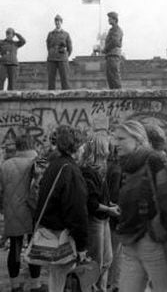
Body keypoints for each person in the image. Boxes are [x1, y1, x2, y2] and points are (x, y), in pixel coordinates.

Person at [113, 120, 167, 292]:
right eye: (115, 138)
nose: (115, 143)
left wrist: (160, 230)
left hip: (153, 242)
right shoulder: (128, 165)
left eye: (121, 139)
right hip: (130, 241)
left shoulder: (154, 159)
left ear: (138, 139)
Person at [36, 125, 88, 292]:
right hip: (63, 237)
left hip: (51, 232)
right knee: (63, 280)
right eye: (82, 146)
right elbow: (77, 211)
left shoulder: (54, 165)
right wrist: (82, 246)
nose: (83, 150)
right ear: (76, 147)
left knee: (56, 279)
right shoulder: (71, 170)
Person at [0, 135, 46, 292]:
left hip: (12, 211)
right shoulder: (38, 162)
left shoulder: (5, 165)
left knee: (15, 247)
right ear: (32, 145)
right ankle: (36, 285)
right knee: (34, 248)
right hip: (33, 211)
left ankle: (15, 285)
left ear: (18, 147)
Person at [80, 133, 120, 292]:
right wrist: (109, 209)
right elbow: (92, 204)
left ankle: (100, 288)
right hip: (95, 220)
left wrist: (110, 205)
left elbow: (100, 199)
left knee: (107, 260)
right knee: (97, 261)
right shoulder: (89, 171)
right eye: (107, 145)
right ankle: (93, 287)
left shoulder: (100, 168)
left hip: (102, 219)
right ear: (100, 148)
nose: (111, 147)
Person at [107, 144, 122, 292]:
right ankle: (114, 284)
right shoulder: (118, 170)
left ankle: (111, 282)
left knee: (113, 250)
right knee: (116, 251)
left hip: (111, 216)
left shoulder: (111, 166)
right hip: (116, 217)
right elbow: (115, 196)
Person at [46, 14, 72, 90]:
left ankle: (66, 95)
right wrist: (52, 52)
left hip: (62, 57)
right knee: (51, 78)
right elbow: (48, 45)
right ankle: (50, 97)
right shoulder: (50, 34)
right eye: (56, 21)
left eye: (59, 21)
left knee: (65, 78)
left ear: (61, 22)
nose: (57, 23)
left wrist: (65, 56)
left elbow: (70, 48)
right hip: (52, 58)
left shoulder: (66, 34)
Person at [103, 12, 123, 89]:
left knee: (114, 75)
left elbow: (114, 41)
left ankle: (119, 94)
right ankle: (113, 93)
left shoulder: (117, 30)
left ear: (114, 19)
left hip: (114, 54)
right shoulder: (111, 30)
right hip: (110, 55)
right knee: (110, 76)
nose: (108, 20)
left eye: (110, 18)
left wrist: (105, 49)